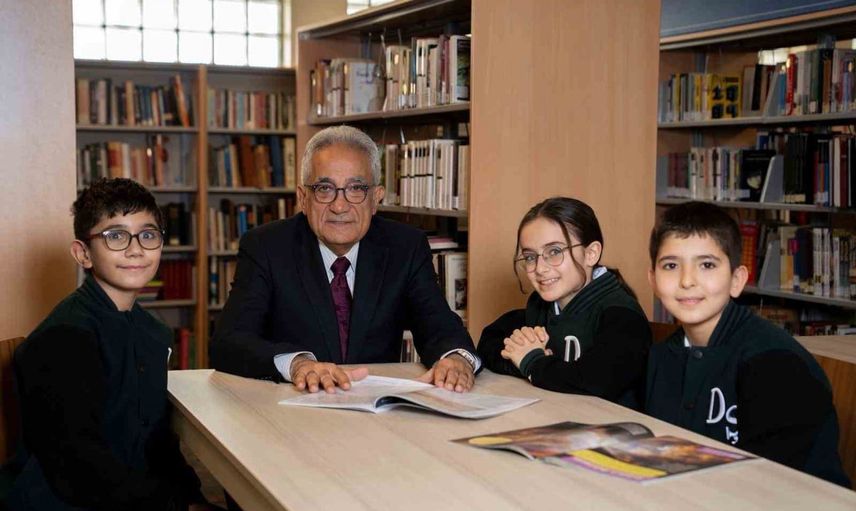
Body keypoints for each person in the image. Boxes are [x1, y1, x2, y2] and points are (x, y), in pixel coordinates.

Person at [210, 126, 478, 393]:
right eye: (324, 189)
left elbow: (438, 324)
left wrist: (456, 358)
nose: (339, 206)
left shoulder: (405, 247)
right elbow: (229, 343)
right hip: (293, 404)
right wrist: (297, 364)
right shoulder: (266, 247)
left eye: (356, 188)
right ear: (303, 198)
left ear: (376, 198)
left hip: (377, 406)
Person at [8, 178, 220, 510]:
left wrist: (192, 498)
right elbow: (77, 467)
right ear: (83, 254)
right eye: (116, 236)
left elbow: (158, 440)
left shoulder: (153, 332)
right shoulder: (64, 338)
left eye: (147, 235)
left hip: (131, 494)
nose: (136, 249)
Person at [645, 201, 850, 487]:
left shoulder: (776, 365)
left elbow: (769, 482)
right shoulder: (660, 356)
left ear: (736, 280)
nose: (687, 280)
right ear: (653, 281)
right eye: (671, 265)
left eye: (707, 265)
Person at [476, 197, 651, 408]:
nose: (540, 268)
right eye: (530, 257)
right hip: (554, 414)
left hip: (607, 424)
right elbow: (488, 343)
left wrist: (533, 363)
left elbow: (597, 381)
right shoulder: (540, 306)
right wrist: (522, 358)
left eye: (555, 252)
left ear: (591, 254)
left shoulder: (622, 315)